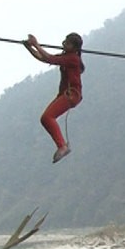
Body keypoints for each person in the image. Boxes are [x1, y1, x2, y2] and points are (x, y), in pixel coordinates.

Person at [23, 33, 85, 163]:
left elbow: (49, 58)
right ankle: (62, 145)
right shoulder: (67, 57)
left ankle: (62, 146)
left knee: (47, 117)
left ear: (74, 47)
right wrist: (30, 48)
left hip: (72, 95)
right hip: (66, 95)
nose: (64, 44)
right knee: (45, 119)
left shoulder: (73, 58)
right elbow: (44, 58)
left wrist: (35, 44)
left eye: (67, 43)